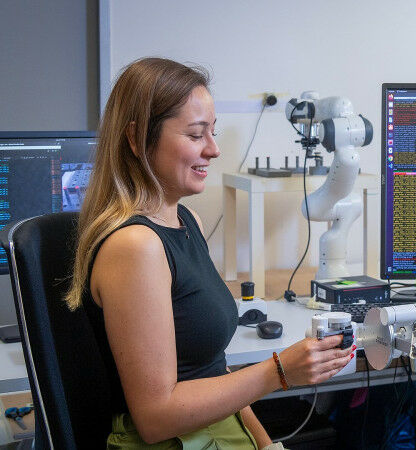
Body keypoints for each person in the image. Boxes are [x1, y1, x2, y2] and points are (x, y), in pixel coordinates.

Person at [64, 57, 352, 449]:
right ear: (135, 139)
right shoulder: (136, 247)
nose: (214, 150)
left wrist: (268, 445)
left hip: (220, 430)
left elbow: (214, 372)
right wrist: (279, 371)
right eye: (197, 135)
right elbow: (155, 417)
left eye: (212, 133)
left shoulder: (187, 221)